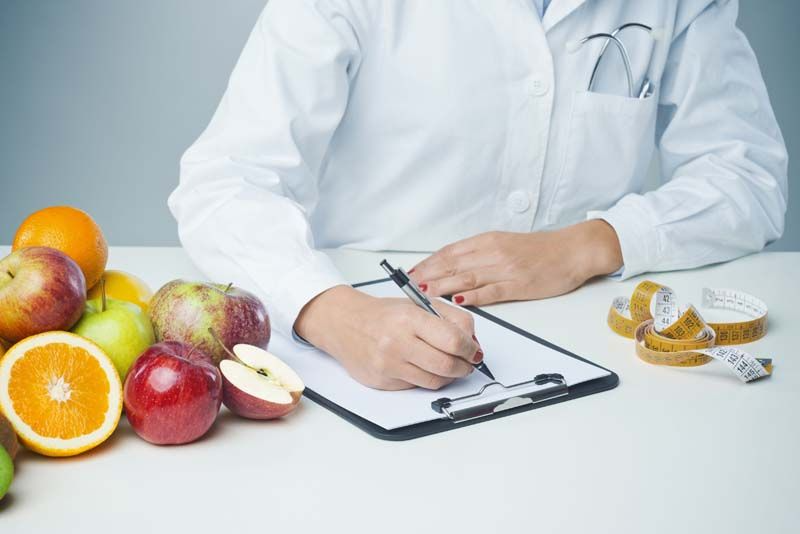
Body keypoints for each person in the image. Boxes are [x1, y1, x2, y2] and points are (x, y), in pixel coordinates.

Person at [169, 0, 788, 391]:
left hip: (592, 343)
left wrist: (589, 245)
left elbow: (748, 175)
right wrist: (329, 312)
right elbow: (224, 181)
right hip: (367, 328)